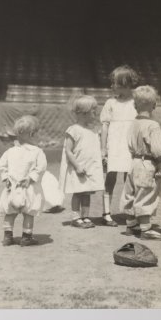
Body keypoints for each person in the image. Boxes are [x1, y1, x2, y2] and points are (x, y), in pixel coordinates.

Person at [119, 85, 161, 240]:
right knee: (146, 193)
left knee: (131, 192)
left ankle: (131, 224)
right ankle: (145, 229)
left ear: (135, 105)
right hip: (147, 163)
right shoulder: (153, 125)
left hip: (134, 162)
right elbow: (158, 149)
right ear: (153, 105)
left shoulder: (133, 123)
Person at [0, 115, 47, 246]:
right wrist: (31, 178)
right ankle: (26, 237)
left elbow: (1, 166)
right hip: (28, 187)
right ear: (32, 134)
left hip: (12, 187)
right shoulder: (37, 152)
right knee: (29, 212)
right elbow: (41, 167)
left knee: (10, 211)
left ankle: (8, 236)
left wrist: (6, 178)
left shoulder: (10, 151)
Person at [100, 65, 139, 226]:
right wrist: (103, 149)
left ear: (125, 83)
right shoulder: (110, 103)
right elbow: (105, 127)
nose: (111, 86)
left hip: (130, 146)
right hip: (114, 146)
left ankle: (129, 212)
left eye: (114, 83)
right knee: (110, 178)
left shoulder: (136, 102)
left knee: (130, 179)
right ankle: (106, 213)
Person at [58, 95, 104, 229]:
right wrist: (77, 166)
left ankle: (85, 216)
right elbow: (68, 150)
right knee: (78, 192)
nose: (96, 113)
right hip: (79, 167)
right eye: (93, 110)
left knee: (87, 192)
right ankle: (75, 217)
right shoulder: (73, 130)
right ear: (84, 113)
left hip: (90, 168)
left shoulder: (94, 129)